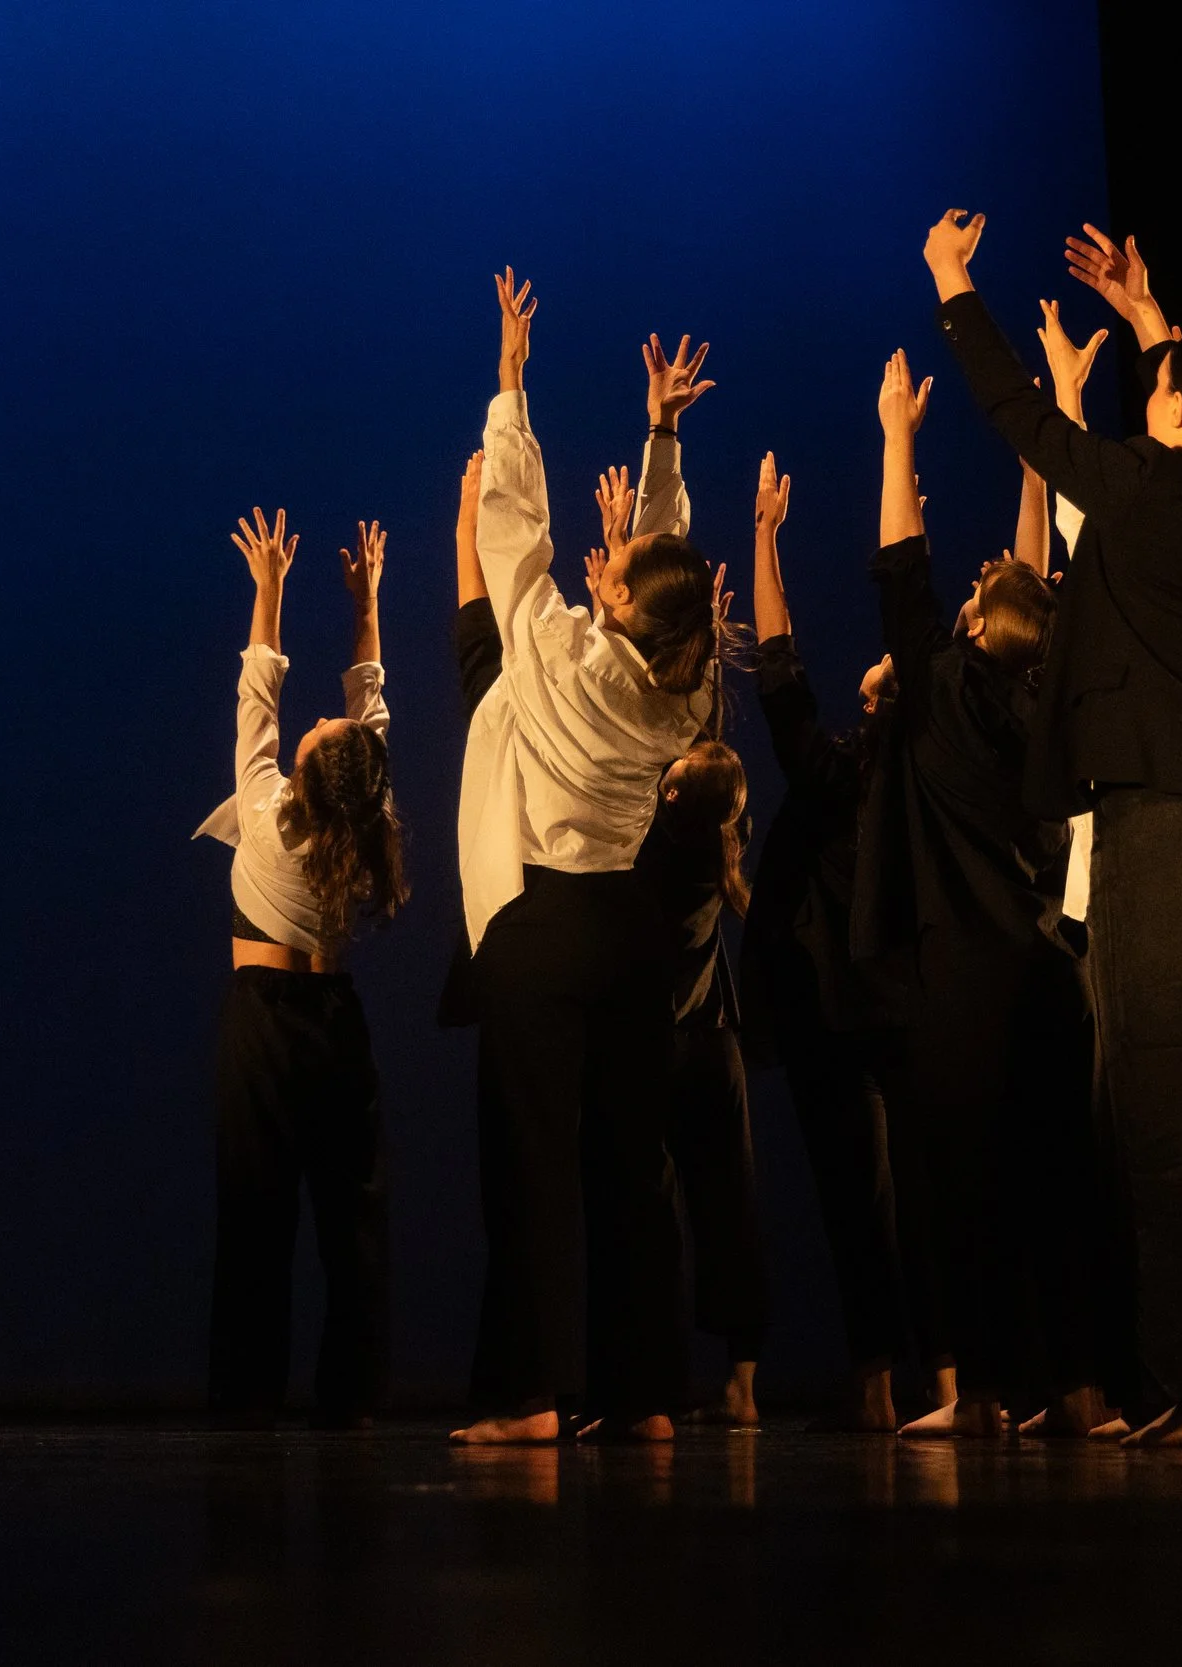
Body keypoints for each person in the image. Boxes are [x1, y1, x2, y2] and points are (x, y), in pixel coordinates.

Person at [925, 211, 1182, 1447]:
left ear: (1176, 413)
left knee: (1176, 1109)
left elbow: (1018, 414)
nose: (1146, 399)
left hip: (1176, 825)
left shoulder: (1144, 491)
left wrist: (953, 286)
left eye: (1158, 387)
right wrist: (1151, 318)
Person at [447, 272, 726, 1446]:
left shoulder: (556, 653)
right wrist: (660, 440)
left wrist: (511, 382)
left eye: (609, 573)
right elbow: (665, 568)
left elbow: (511, 528)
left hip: (543, 929)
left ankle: (528, 1395)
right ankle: (647, 1390)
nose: (599, 567)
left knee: (534, 1162)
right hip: (630, 935)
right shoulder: (686, 688)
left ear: (610, 602)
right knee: (628, 1162)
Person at [854, 348, 1118, 1440]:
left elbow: (902, 571)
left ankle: (984, 1395)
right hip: (1051, 977)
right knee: (1061, 1187)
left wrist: (896, 437)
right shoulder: (1049, 708)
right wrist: (1036, 463)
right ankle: (1081, 1387)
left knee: (969, 1192)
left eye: (971, 601)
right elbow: (1032, 598)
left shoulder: (941, 692)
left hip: (961, 984)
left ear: (972, 632)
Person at [740, 451, 956, 1431]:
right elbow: (784, 676)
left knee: (870, 1199)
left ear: (882, 703)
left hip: (846, 1013)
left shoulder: (851, 778)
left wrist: (765, 536)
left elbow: (782, 671)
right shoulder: (918, 786)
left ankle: (890, 1376)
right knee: (915, 1193)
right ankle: (938, 1377)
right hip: (900, 1007)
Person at [194, 507, 406, 1430]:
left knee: (257, 1209)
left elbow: (259, 694)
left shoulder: (271, 812)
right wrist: (366, 607)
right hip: (337, 1017)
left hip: (268, 1019)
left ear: (304, 777)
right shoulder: (363, 825)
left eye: (316, 737)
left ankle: (248, 1399)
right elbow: (370, 719)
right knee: (351, 1213)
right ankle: (352, 1398)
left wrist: (270, 588)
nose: (319, 721)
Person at [637, 736, 769, 1426]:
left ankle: (661, 1379)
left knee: (658, 1216)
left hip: (664, 1048)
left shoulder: (659, 849)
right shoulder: (718, 842)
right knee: (731, 1211)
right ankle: (742, 1386)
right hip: (717, 1049)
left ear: (671, 794)